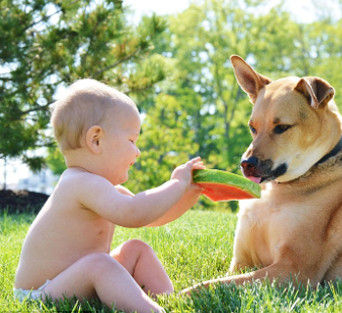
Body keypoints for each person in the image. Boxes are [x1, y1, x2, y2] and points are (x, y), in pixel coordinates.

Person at [14, 79, 204, 313]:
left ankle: (168, 300)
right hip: (41, 293)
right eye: (131, 140)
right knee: (100, 264)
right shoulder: (79, 183)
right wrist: (176, 183)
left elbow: (151, 216)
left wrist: (187, 194)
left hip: (77, 281)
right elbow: (134, 212)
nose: (138, 151)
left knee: (136, 249)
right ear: (96, 140)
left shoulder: (102, 188)